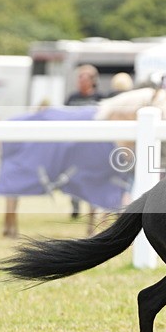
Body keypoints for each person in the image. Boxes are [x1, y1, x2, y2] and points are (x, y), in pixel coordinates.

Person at [65, 64, 103, 220]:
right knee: (72, 177)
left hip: (93, 147)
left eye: (83, 78)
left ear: (92, 81)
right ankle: (75, 205)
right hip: (75, 145)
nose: (80, 81)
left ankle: (92, 211)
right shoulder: (72, 98)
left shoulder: (100, 98)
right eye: (79, 78)